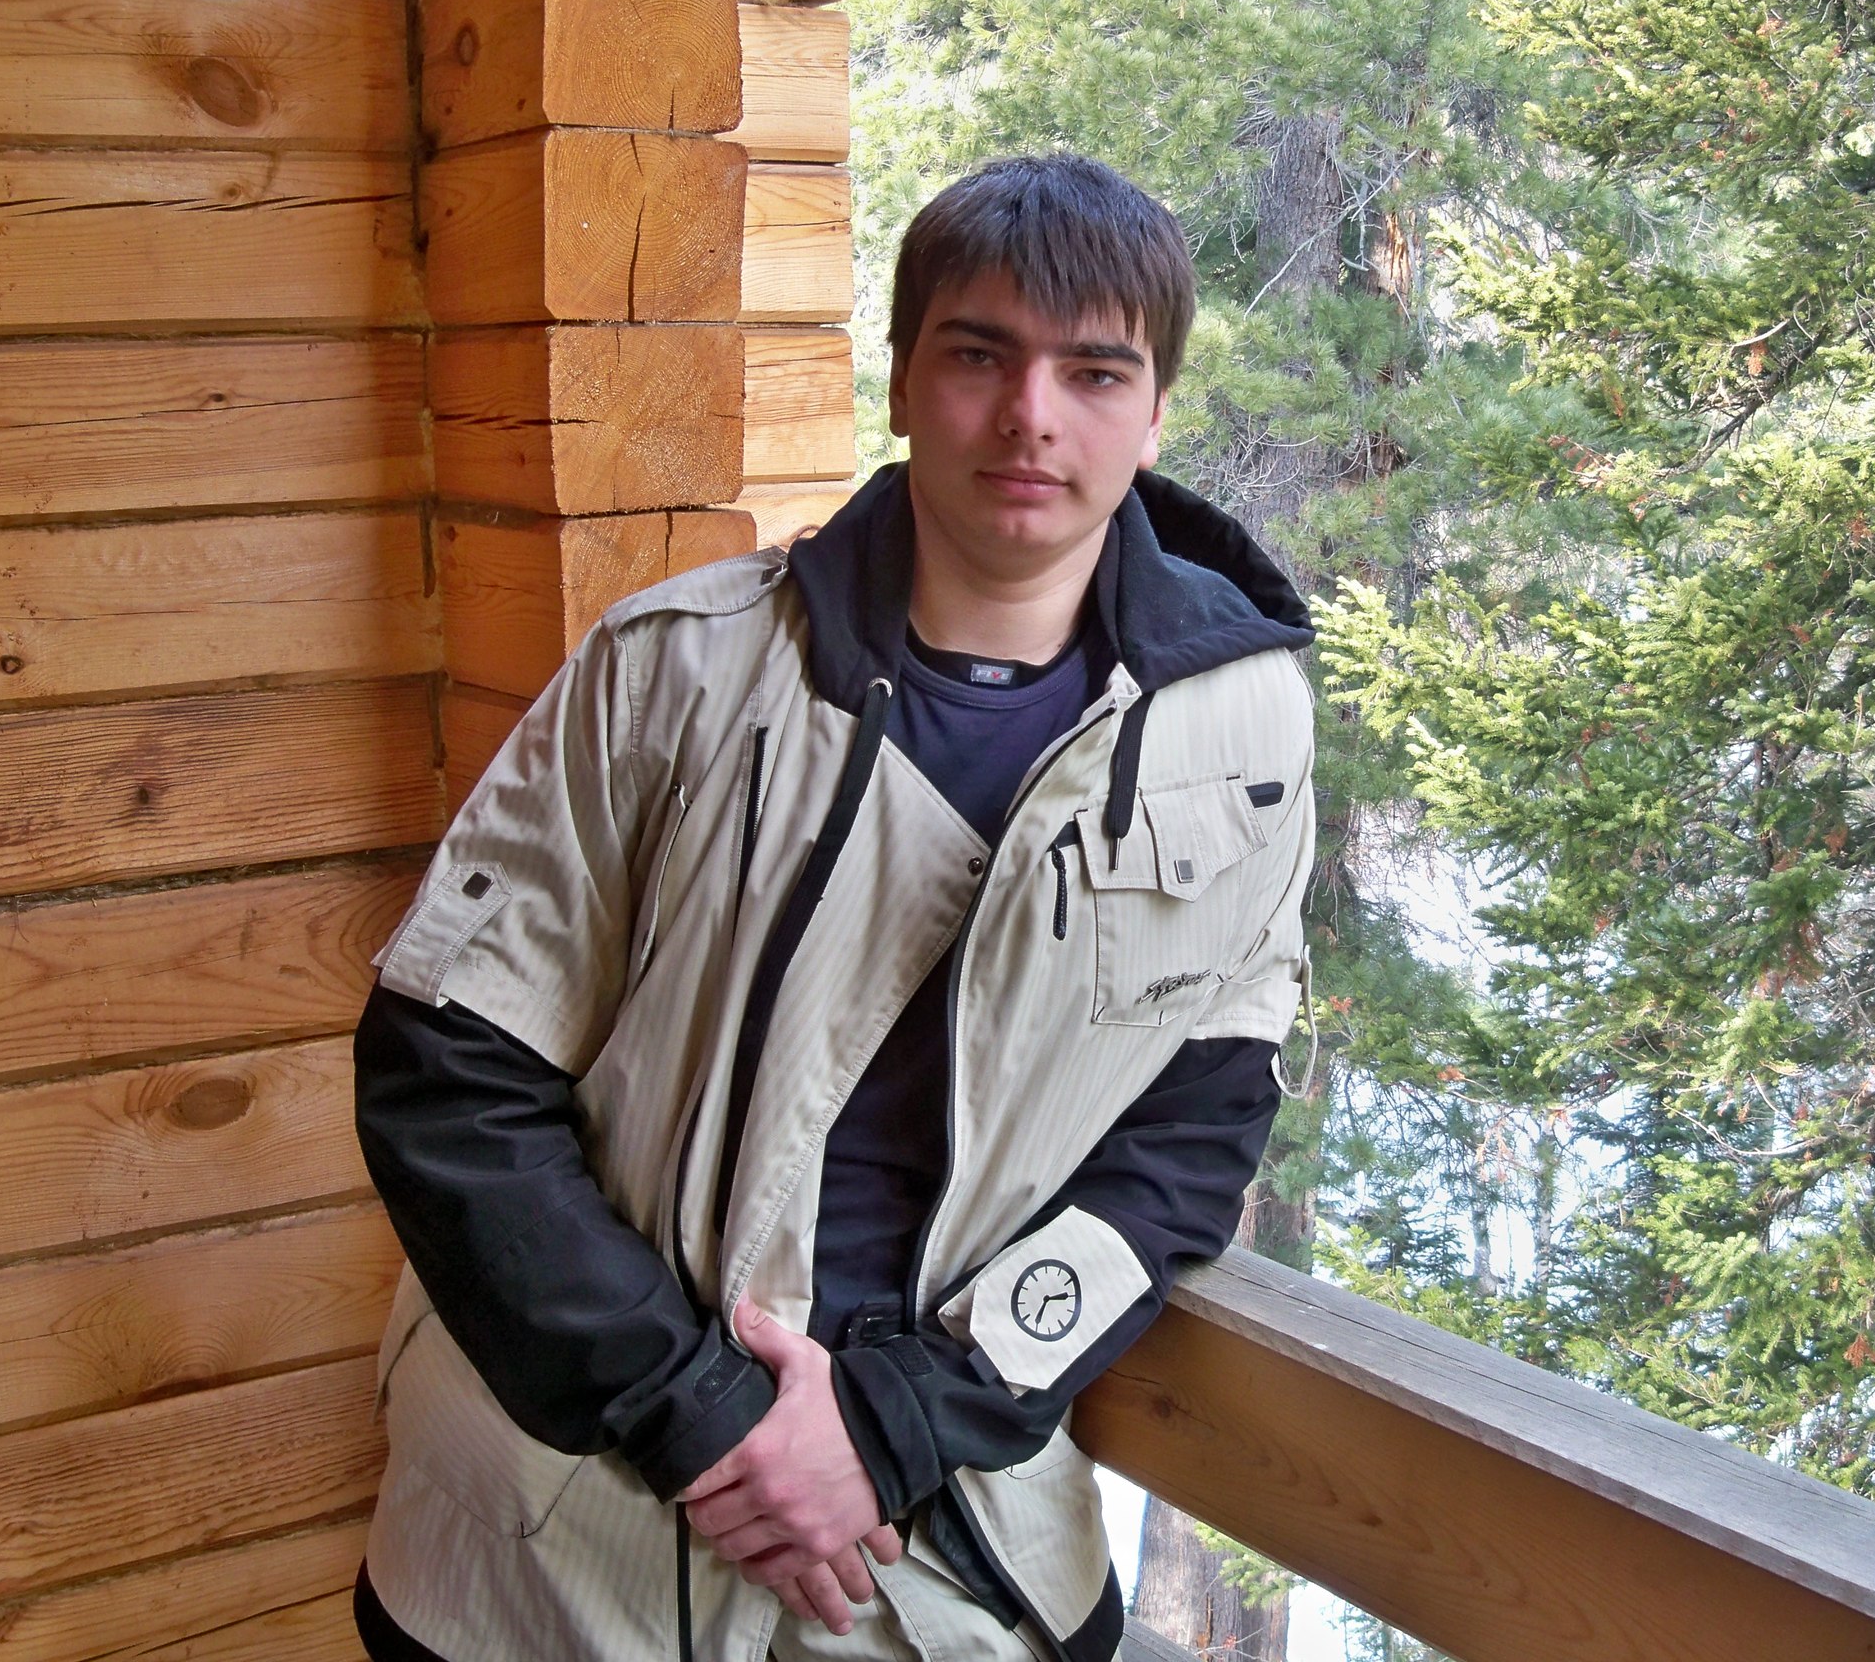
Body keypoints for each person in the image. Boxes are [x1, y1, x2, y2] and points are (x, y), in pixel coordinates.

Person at [350, 154, 1317, 1662]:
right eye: (979, 354)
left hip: (952, 1540)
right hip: (563, 1548)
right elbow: (448, 1074)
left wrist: (902, 1418)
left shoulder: (1241, 730)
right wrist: (702, 1419)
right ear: (904, 378)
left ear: (1156, 414)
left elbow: (1195, 1129)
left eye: (1094, 371)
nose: (1031, 416)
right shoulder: (673, 672)